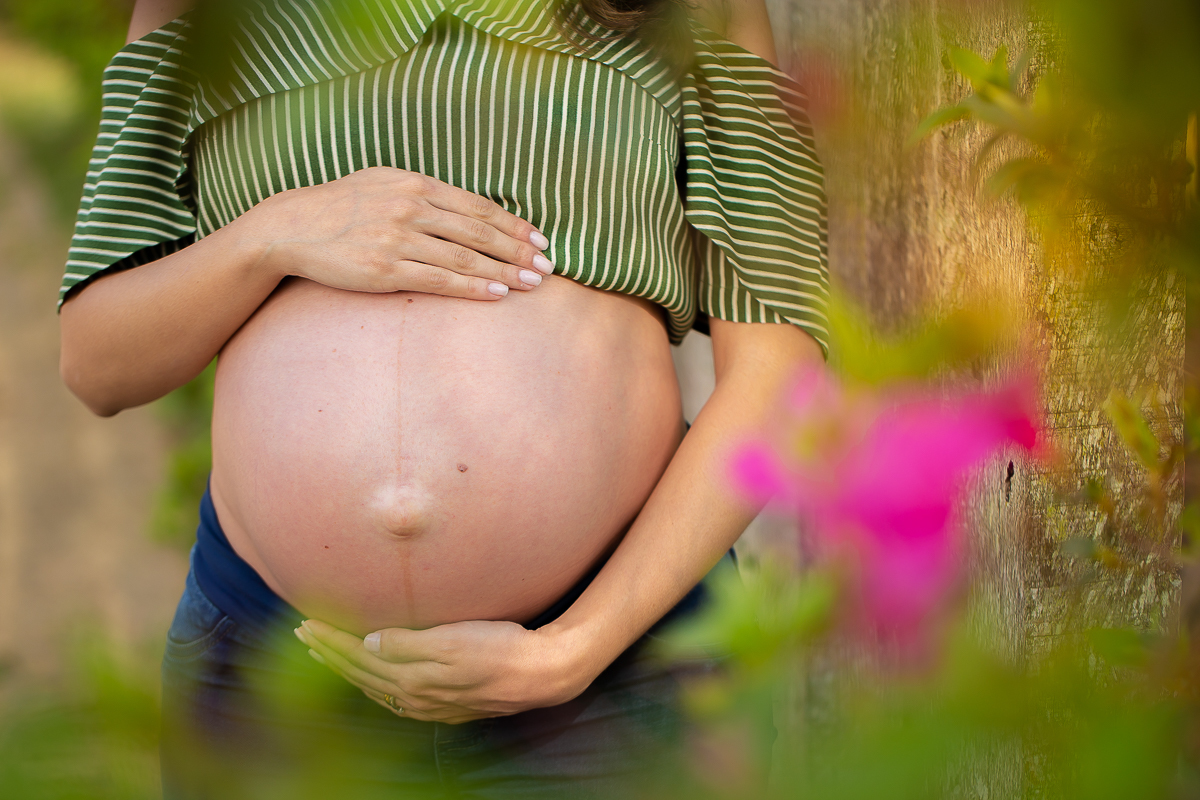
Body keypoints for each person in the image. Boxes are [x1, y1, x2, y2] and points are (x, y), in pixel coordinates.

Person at [58, 0, 829, 796]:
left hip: (615, 672)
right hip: (280, 666)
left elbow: (778, 355)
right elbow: (99, 360)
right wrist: (272, 234)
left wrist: (574, 648)